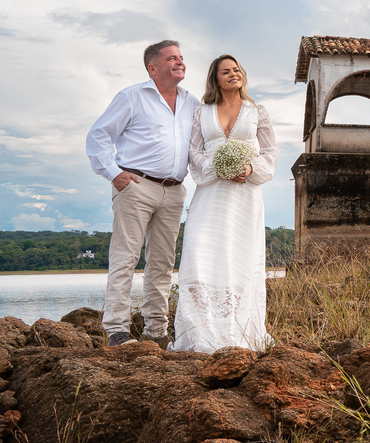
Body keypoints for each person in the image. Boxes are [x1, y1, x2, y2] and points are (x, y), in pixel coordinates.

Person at [86, 40, 199, 346]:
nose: (180, 62)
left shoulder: (192, 102)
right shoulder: (132, 96)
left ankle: (157, 331)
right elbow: (99, 135)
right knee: (125, 257)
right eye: (171, 58)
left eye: (181, 57)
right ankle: (117, 330)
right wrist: (114, 174)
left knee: (162, 263)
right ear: (153, 67)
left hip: (174, 191)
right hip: (136, 185)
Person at [170, 54, 276, 353]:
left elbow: (270, 152)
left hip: (245, 193)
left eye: (237, 69)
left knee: (239, 255)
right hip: (210, 191)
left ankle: (237, 330)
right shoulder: (202, 113)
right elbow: (193, 151)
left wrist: (249, 169)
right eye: (226, 71)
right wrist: (218, 168)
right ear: (215, 78)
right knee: (198, 249)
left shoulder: (258, 112)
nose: (233, 74)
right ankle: (200, 331)